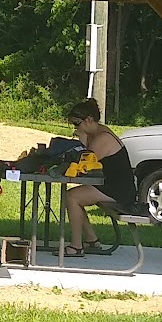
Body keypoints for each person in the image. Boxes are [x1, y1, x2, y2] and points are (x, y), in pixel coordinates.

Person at [62, 98, 136, 255]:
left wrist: (82, 138)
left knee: (72, 197)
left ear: (88, 120)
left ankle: (76, 246)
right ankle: (91, 240)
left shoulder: (103, 138)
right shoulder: (98, 132)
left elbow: (85, 163)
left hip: (119, 191)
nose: (75, 129)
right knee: (73, 196)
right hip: (111, 185)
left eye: (77, 124)